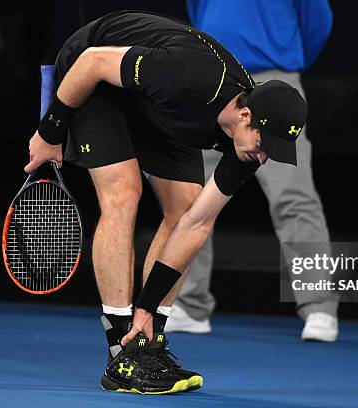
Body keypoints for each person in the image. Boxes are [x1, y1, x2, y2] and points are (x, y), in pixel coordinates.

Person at [24, 10, 307, 394]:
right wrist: (50, 129)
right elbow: (92, 63)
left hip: (157, 105)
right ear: (245, 116)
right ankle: (119, 353)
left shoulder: (244, 147)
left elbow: (198, 223)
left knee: (185, 208)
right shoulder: (189, 77)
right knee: (123, 194)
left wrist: (150, 308)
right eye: (264, 143)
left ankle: (146, 343)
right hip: (93, 74)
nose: (263, 156)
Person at [166, 0, 339, 342]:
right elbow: (198, 13)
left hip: (272, 80)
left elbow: (317, 22)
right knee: (192, 195)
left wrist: (286, 60)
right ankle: (189, 304)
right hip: (214, 83)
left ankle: (319, 306)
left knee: (292, 195)